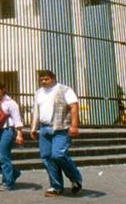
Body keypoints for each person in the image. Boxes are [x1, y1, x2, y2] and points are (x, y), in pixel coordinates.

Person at [29, 69, 83, 197]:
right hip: (44, 128)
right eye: (41, 79)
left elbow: (74, 107)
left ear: (53, 78)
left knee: (58, 154)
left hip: (61, 128)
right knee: (47, 157)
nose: (43, 81)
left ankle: (76, 178)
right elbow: (36, 111)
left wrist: (74, 126)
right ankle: (56, 186)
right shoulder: (39, 93)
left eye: (46, 79)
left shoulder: (65, 90)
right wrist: (33, 127)